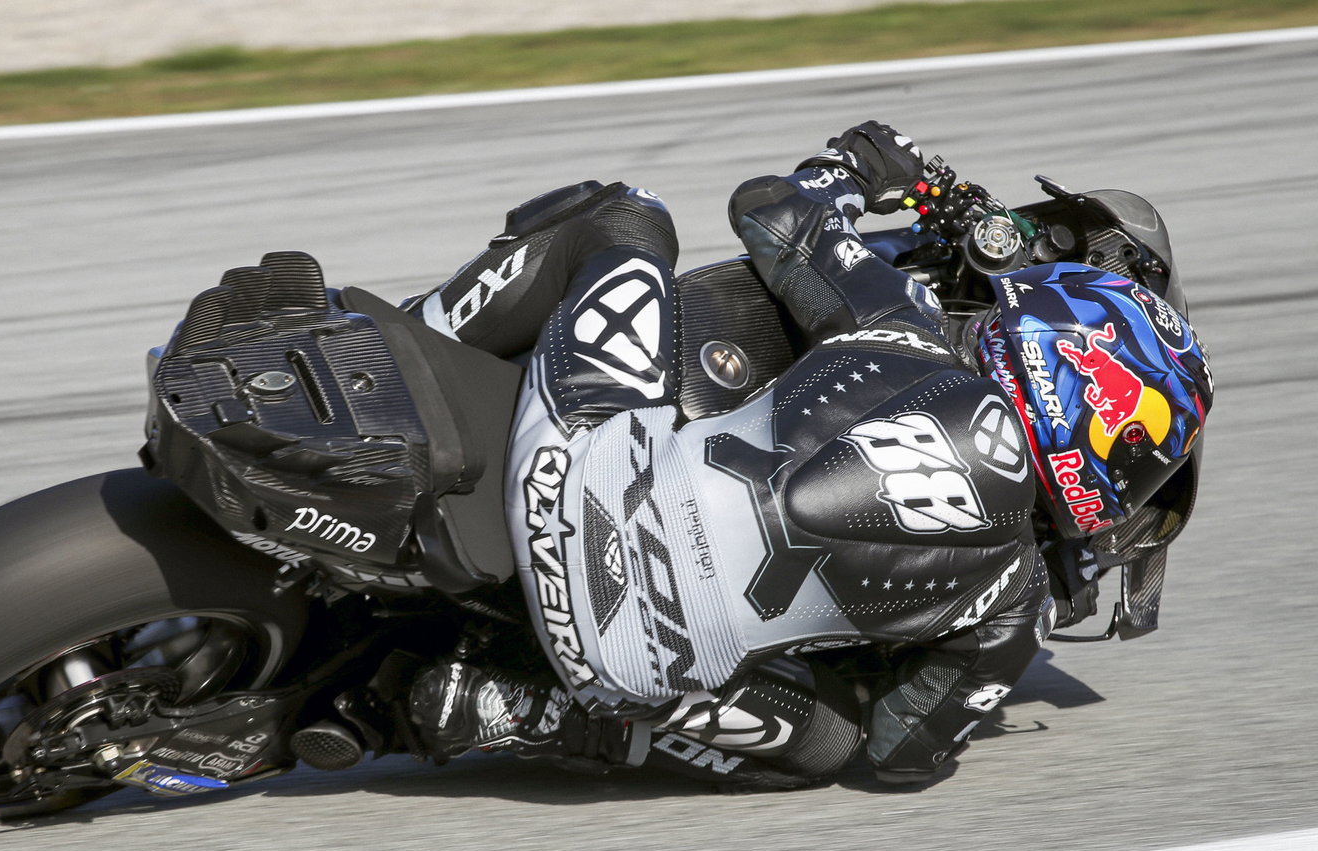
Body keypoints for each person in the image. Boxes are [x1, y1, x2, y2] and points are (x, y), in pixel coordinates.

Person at [393, 121, 1213, 789]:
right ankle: (522, 709)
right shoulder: (1017, 603)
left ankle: (408, 341)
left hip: (566, 469)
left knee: (624, 216)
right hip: (621, 667)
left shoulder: (905, 326)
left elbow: (769, 208)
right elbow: (902, 750)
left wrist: (853, 168)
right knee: (833, 741)